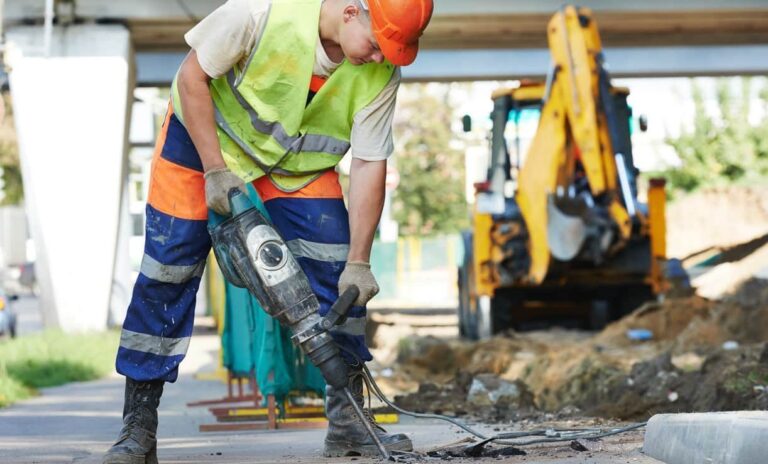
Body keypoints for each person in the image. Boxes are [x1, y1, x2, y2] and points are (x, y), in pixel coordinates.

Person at [103, 0, 433, 462]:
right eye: (379, 46)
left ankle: (349, 423)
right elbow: (191, 78)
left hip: (292, 166)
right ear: (353, 12)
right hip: (201, 145)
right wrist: (215, 171)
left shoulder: (381, 74)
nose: (380, 59)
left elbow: (369, 162)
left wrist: (359, 262)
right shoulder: (257, 14)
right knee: (167, 273)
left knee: (343, 280)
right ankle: (138, 430)